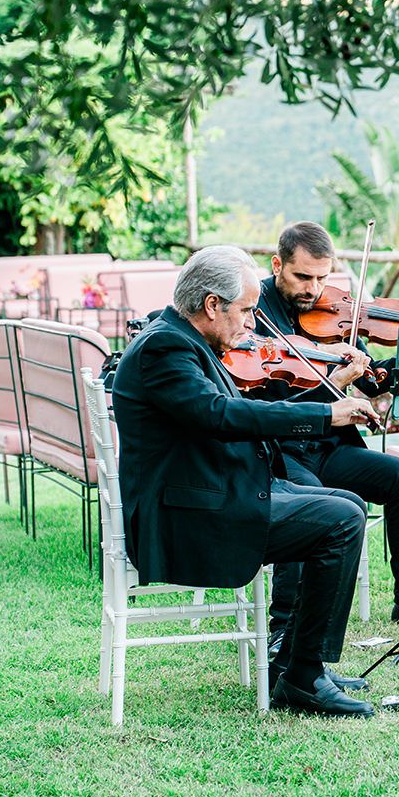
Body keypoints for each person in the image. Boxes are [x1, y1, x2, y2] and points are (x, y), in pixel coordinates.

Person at [111, 245, 377, 719]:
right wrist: (324, 414)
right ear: (212, 305)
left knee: (347, 503)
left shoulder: (186, 340)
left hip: (213, 491)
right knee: (340, 521)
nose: (253, 322)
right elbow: (221, 415)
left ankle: (299, 661)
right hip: (188, 517)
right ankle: (302, 676)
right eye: (246, 310)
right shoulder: (164, 349)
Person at [253, 222, 399, 628]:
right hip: (282, 450)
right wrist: (335, 376)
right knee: (310, 506)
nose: (312, 289)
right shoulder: (254, 310)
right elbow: (268, 403)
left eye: (321, 277)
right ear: (277, 264)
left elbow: (368, 380)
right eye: (302, 276)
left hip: (329, 447)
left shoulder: (333, 313)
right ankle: (285, 626)